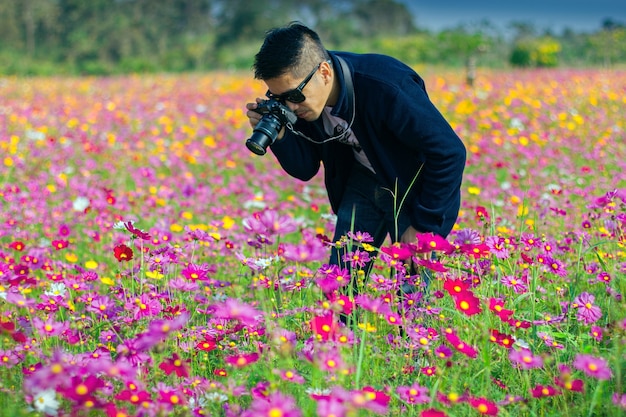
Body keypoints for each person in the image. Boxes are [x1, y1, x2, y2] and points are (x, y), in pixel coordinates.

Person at [245, 22, 466, 291]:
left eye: (294, 95)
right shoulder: (305, 101)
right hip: (362, 183)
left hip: (413, 190)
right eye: (278, 97)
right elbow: (304, 168)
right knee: (341, 288)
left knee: (412, 296)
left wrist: (423, 224)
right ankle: (344, 333)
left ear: (324, 72)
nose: (290, 106)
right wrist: (280, 137)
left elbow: (450, 151)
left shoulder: (386, 86)